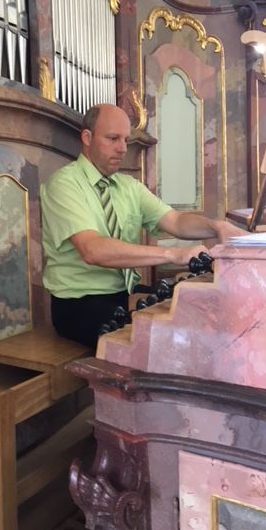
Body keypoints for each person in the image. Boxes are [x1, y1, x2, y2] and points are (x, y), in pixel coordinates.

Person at [40, 103, 244, 349]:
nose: (123, 148)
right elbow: (92, 250)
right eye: (113, 139)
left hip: (121, 294)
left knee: (198, 318)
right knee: (165, 342)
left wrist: (217, 227)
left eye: (125, 140)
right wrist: (173, 254)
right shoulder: (64, 184)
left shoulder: (129, 187)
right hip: (77, 304)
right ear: (87, 137)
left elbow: (176, 221)